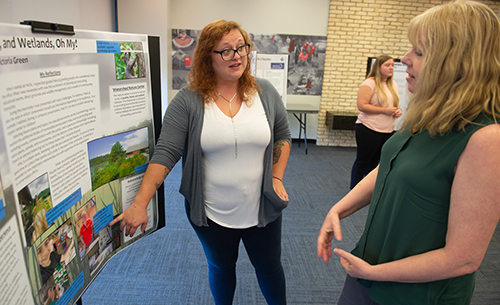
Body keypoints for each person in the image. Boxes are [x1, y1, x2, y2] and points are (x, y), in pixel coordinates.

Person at [317, 1, 500, 304]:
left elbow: (463, 258)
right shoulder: (428, 115)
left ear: (457, 62)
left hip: (414, 291)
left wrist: (376, 273)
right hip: (370, 270)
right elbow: (389, 167)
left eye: (419, 51)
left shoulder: (486, 138)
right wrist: (338, 209)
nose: (404, 60)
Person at [110, 20, 291, 305]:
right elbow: (166, 151)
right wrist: (139, 203)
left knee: (269, 268)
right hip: (212, 213)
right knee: (221, 267)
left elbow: (282, 134)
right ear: (208, 56)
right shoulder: (188, 101)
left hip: (262, 209)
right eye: (226, 51)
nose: (238, 56)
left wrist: (277, 178)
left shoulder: (264, 91)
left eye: (242, 47)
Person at [350, 54, 402, 189]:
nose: (391, 68)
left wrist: (398, 111)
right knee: (363, 160)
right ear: (378, 67)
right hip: (368, 128)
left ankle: (367, 189)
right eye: (387, 65)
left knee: (376, 162)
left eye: (392, 65)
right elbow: (362, 106)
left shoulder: (393, 84)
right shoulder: (369, 83)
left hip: (387, 129)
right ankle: (354, 189)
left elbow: (394, 104)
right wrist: (384, 110)